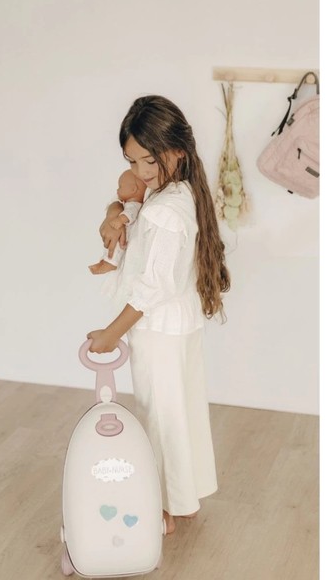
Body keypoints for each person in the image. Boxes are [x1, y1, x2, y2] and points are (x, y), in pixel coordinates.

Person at [86, 95, 230, 535]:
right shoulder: (175, 192)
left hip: (158, 328)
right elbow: (127, 200)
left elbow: (154, 287)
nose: (141, 171)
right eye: (133, 161)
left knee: (159, 416)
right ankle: (183, 499)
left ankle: (164, 508)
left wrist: (111, 333)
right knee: (179, 411)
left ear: (177, 151)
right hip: (176, 324)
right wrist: (114, 211)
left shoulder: (167, 210)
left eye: (149, 160)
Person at [89, 169, 146, 274]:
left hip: (125, 236)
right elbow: (114, 202)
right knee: (112, 245)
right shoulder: (127, 203)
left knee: (116, 248)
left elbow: (131, 213)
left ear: (133, 189)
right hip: (121, 233)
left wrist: (120, 219)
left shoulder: (134, 205)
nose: (117, 190)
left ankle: (111, 263)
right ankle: (106, 260)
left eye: (120, 186)